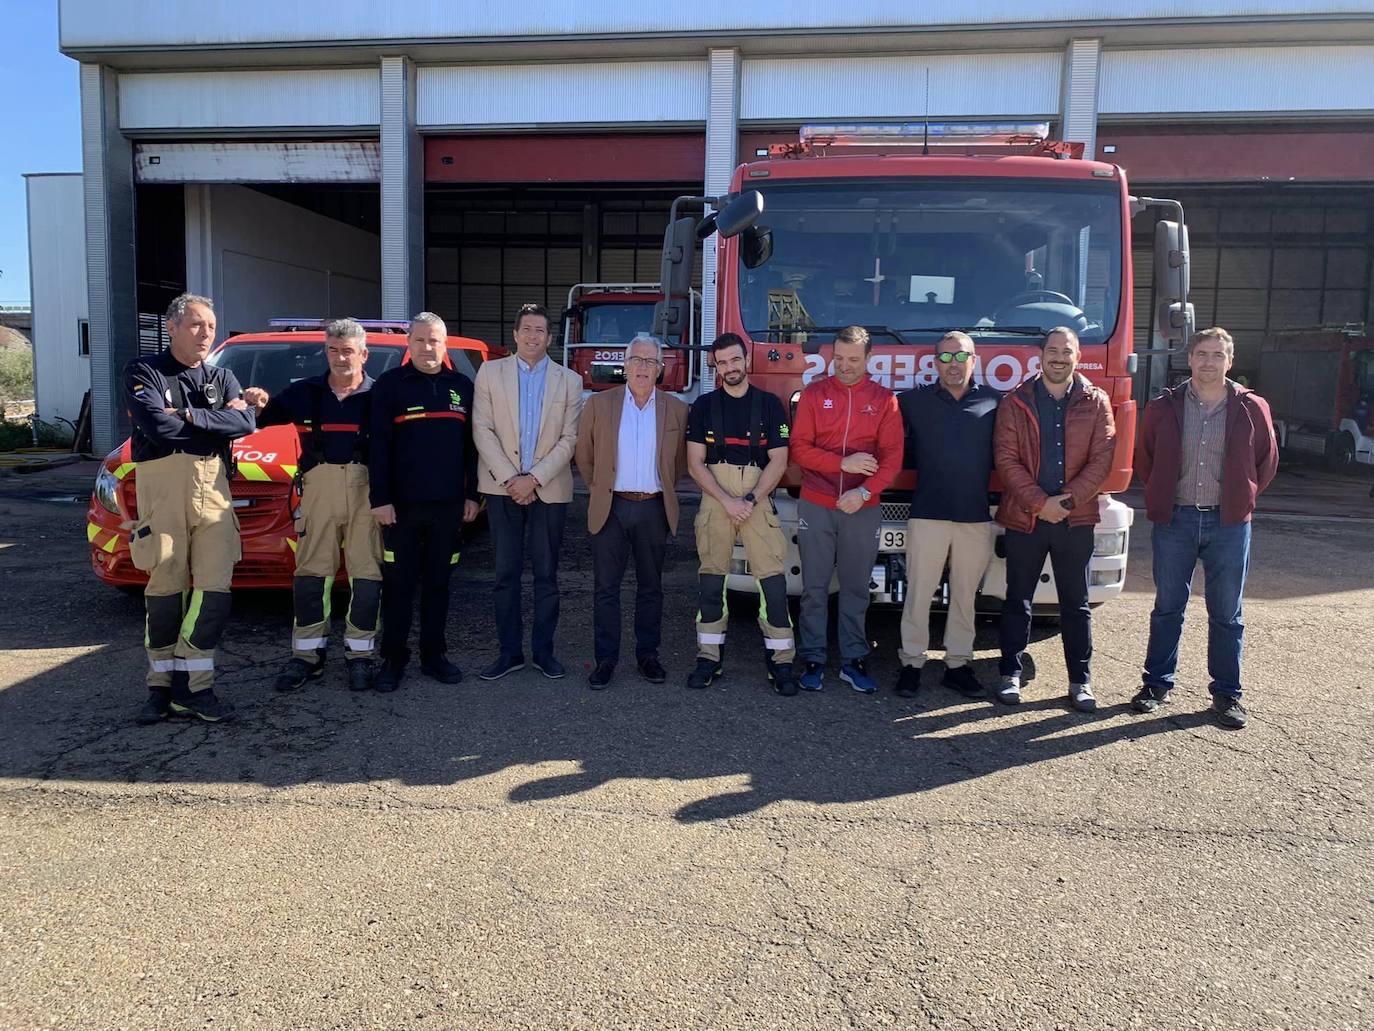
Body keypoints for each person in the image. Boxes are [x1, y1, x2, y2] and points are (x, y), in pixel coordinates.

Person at [1132, 327, 1278, 729]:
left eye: (1218, 355)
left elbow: (1265, 463)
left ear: (1230, 361)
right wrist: (1164, 493)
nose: (1209, 362)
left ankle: (1227, 694)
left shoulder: (1252, 408)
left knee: (1227, 613)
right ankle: (1156, 685)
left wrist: (1241, 497)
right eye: (1202, 354)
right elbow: (1145, 458)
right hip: (1175, 520)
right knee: (1167, 607)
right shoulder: (1164, 407)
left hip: (1228, 523)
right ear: (1190, 359)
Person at [124, 293, 256, 724]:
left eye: (212, 327)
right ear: (173, 327)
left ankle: (193, 687)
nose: (205, 334)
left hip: (213, 492)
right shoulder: (145, 370)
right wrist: (211, 423)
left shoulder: (223, 378)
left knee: (215, 592)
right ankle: (159, 689)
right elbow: (157, 428)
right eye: (196, 325)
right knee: (164, 589)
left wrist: (187, 415)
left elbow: (246, 423)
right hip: (164, 491)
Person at [243, 318, 381, 694]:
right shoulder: (303, 393)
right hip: (317, 490)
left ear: (363, 354)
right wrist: (256, 401)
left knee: (366, 576)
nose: (340, 358)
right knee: (310, 576)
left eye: (348, 351)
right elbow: (261, 416)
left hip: (366, 491)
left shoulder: (380, 397)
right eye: (333, 350)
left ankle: (361, 656)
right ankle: (307, 656)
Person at [994, 326, 1115, 712]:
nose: (1059, 357)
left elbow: (1103, 460)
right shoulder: (1016, 402)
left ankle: (1080, 681)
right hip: (1025, 518)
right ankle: (1010, 674)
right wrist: (1038, 502)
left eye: (1067, 351)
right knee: (1018, 600)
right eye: (1052, 351)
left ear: (1078, 356)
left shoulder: (1097, 402)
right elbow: (1006, 460)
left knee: (1075, 604)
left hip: (1074, 520)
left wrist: (1066, 502)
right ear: (1040, 356)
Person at [368, 312, 480, 693]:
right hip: (401, 509)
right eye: (420, 340)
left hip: (449, 508)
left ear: (444, 344)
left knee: (439, 585)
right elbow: (378, 446)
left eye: (434, 340)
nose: (427, 347)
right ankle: (393, 659)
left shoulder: (462, 386)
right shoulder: (390, 386)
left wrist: (472, 494)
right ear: (409, 343)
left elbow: (472, 448)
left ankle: (434, 656)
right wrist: (380, 499)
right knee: (398, 586)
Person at [472, 302, 583, 681]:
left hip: (548, 490)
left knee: (547, 575)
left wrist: (533, 478)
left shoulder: (569, 381)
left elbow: (570, 439)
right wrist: (511, 480)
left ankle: (543, 652)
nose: (533, 336)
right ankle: (509, 653)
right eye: (527, 329)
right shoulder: (489, 372)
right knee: (505, 574)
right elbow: (482, 431)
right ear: (516, 335)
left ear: (550, 338)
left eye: (540, 331)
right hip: (502, 490)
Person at [789, 325, 904, 693]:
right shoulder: (814, 394)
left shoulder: (885, 400)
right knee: (814, 588)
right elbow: (800, 449)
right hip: (817, 503)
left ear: (869, 359)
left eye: (853, 360)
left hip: (862, 507)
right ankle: (812, 658)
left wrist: (865, 492)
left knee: (855, 588)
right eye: (838, 359)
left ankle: (853, 659)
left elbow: (892, 460)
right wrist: (843, 464)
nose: (844, 366)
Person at [685, 333, 799, 696]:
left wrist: (748, 499)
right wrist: (727, 500)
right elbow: (694, 464)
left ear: (746, 360)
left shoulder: (770, 405)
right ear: (715, 367)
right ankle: (708, 658)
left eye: (736, 360)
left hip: (758, 496)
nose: (730, 368)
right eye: (723, 363)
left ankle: (781, 663)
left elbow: (779, 460)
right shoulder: (703, 406)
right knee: (711, 582)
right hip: (715, 497)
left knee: (773, 585)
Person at [574, 335, 689, 690]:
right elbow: (585, 457)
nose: (642, 367)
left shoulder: (676, 409)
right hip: (612, 506)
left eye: (650, 362)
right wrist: (606, 488)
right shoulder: (598, 404)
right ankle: (606, 659)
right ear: (625, 365)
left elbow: (679, 463)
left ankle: (647, 656)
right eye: (636, 360)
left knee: (651, 587)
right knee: (606, 588)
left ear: (660, 369)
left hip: (653, 507)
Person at [894, 331, 1001, 699]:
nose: (953, 365)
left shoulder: (995, 402)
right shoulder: (912, 401)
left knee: (964, 596)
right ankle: (911, 663)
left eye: (961, 357)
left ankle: (958, 664)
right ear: (934, 362)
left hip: (975, 516)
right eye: (945, 358)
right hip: (928, 514)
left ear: (974, 360)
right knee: (918, 593)